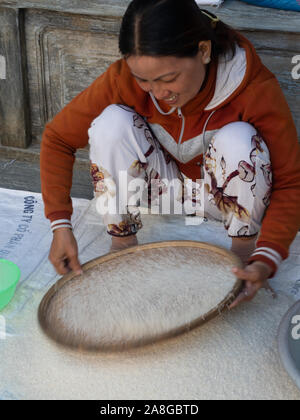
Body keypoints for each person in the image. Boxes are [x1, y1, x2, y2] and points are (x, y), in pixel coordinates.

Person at [40, 0, 300, 308]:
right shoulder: (124, 77)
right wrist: (60, 225)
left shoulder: (253, 87)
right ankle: (123, 245)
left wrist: (264, 258)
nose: (158, 92)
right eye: (143, 80)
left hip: (225, 202)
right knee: (111, 122)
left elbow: (291, 182)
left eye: (168, 79)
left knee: (240, 140)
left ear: (203, 52)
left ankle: (241, 257)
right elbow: (57, 137)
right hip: (158, 193)